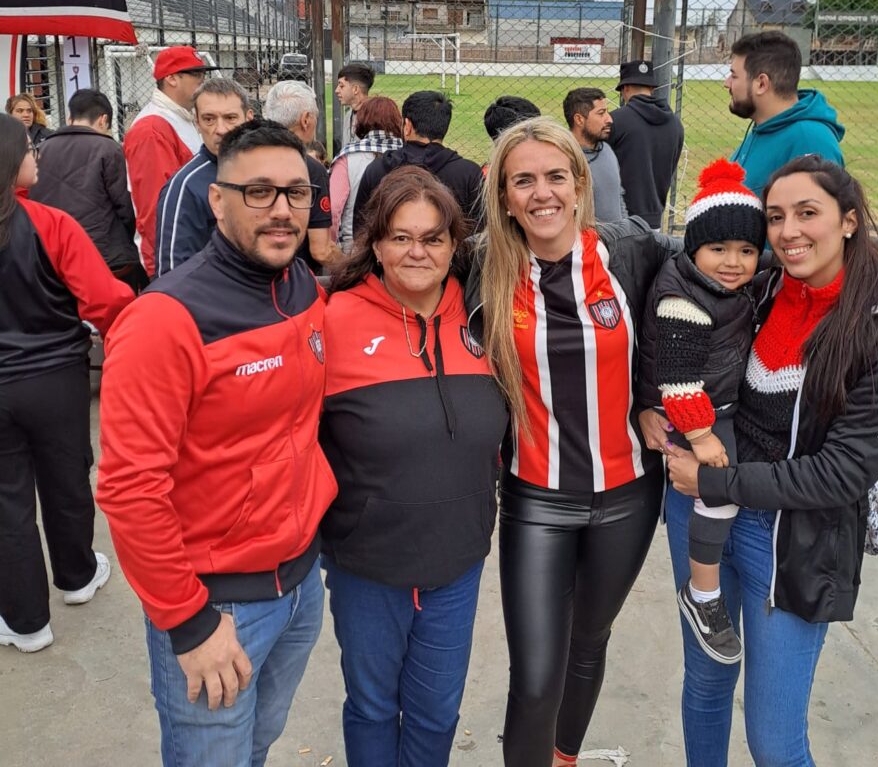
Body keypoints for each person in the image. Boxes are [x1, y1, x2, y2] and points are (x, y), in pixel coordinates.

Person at [652, 155, 878, 767]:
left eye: (808, 213)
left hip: (792, 538)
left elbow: (843, 473)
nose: (788, 232)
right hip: (702, 507)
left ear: (850, 220)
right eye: (776, 217)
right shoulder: (761, 284)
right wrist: (647, 407)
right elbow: (679, 342)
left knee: (775, 742)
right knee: (704, 685)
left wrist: (717, 481)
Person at [96, 120, 338, 767]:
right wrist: (187, 620)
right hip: (217, 603)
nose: (282, 209)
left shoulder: (300, 287)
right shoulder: (164, 321)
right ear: (217, 200)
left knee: (256, 745)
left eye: (296, 192)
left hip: (299, 587)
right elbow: (129, 489)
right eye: (258, 192)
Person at [464, 116, 675, 767]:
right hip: (537, 500)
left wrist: (655, 396)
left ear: (580, 184)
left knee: (589, 643)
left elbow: (723, 264)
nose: (542, 193)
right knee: (536, 675)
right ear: (504, 197)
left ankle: (565, 758)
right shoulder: (480, 265)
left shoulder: (630, 250)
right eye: (523, 181)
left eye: (556, 176)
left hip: (629, 495)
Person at [320, 165, 508, 766]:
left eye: (432, 238)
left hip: (456, 562)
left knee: (437, 714)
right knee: (373, 707)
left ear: (455, 245)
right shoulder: (333, 319)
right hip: (368, 566)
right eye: (400, 237)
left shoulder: (484, 316)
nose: (417, 252)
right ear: (375, 244)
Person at [0, 113, 133, 653]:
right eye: (28, 148)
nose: (37, 155)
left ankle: (25, 622)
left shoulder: (49, 220)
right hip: (56, 376)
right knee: (68, 476)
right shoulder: (52, 224)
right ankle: (77, 576)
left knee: (6, 502)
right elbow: (107, 300)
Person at [638, 159, 765, 666]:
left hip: (714, 403)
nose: (733, 262)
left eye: (747, 250)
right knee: (719, 489)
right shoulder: (683, 300)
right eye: (719, 249)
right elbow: (678, 381)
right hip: (690, 411)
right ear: (693, 249)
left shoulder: (724, 285)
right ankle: (703, 592)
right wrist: (702, 438)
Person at [31, 88, 146, 292]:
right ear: (103, 120)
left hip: (55, 254)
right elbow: (125, 207)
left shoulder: (42, 149)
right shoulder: (109, 148)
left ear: (70, 118)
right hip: (107, 256)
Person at [124, 45, 213, 277]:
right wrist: (166, 272)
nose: (203, 81)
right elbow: (155, 207)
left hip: (190, 248)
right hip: (175, 260)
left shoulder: (178, 117)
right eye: (196, 74)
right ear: (172, 79)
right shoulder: (152, 128)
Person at [725, 30, 845, 197]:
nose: (726, 83)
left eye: (734, 76)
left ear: (761, 84)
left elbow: (817, 211)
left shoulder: (810, 140)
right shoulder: (764, 127)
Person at [154, 78, 253, 276]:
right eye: (209, 119)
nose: (221, 129)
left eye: (230, 118)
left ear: (249, 119)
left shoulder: (266, 170)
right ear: (197, 123)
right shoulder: (185, 188)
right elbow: (172, 274)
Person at [354, 90, 483, 231]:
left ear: (407, 126)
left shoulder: (377, 169)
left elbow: (360, 227)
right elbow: (479, 230)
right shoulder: (469, 174)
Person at [263, 80, 338, 273]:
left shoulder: (245, 160)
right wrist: (356, 269)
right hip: (297, 277)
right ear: (305, 120)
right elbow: (321, 251)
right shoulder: (311, 169)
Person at [607, 59, 684, 228]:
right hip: (655, 217)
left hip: (620, 218)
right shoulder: (675, 123)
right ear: (652, 88)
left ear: (625, 88)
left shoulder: (614, 120)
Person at [328, 95, 402, 250]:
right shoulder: (409, 154)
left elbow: (334, 208)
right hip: (400, 242)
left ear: (361, 121)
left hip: (356, 244)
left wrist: (330, 246)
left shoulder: (348, 157)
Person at [563, 86, 627, 222]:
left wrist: (625, 230)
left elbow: (618, 196)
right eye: (601, 113)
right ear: (579, 119)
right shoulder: (564, 158)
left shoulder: (607, 150)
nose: (609, 119)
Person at [335, 61, 374, 151]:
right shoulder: (348, 115)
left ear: (355, 89)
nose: (336, 90)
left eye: (341, 86)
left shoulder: (375, 118)